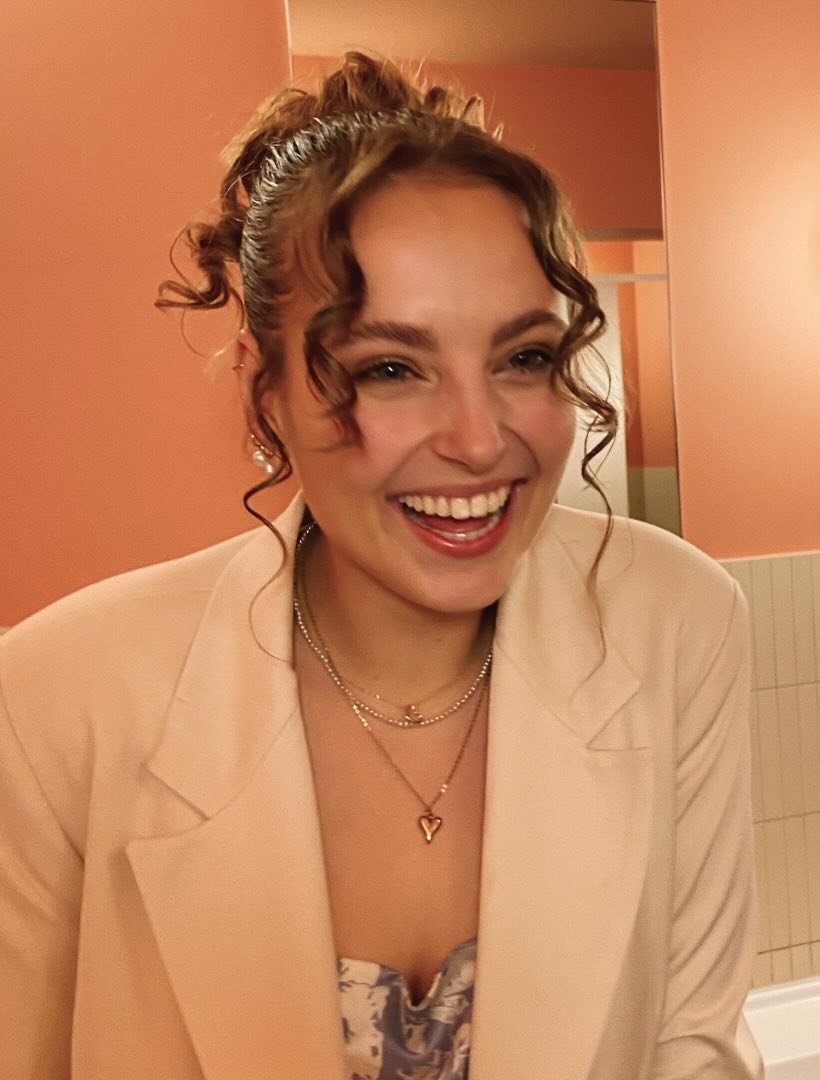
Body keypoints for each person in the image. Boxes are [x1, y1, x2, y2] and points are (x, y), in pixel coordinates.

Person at [0, 52, 761, 1080]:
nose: (479, 440)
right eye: (391, 368)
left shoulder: (676, 618)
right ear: (266, 393)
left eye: (523, 357)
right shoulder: (56, 697)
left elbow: (694, 1044)